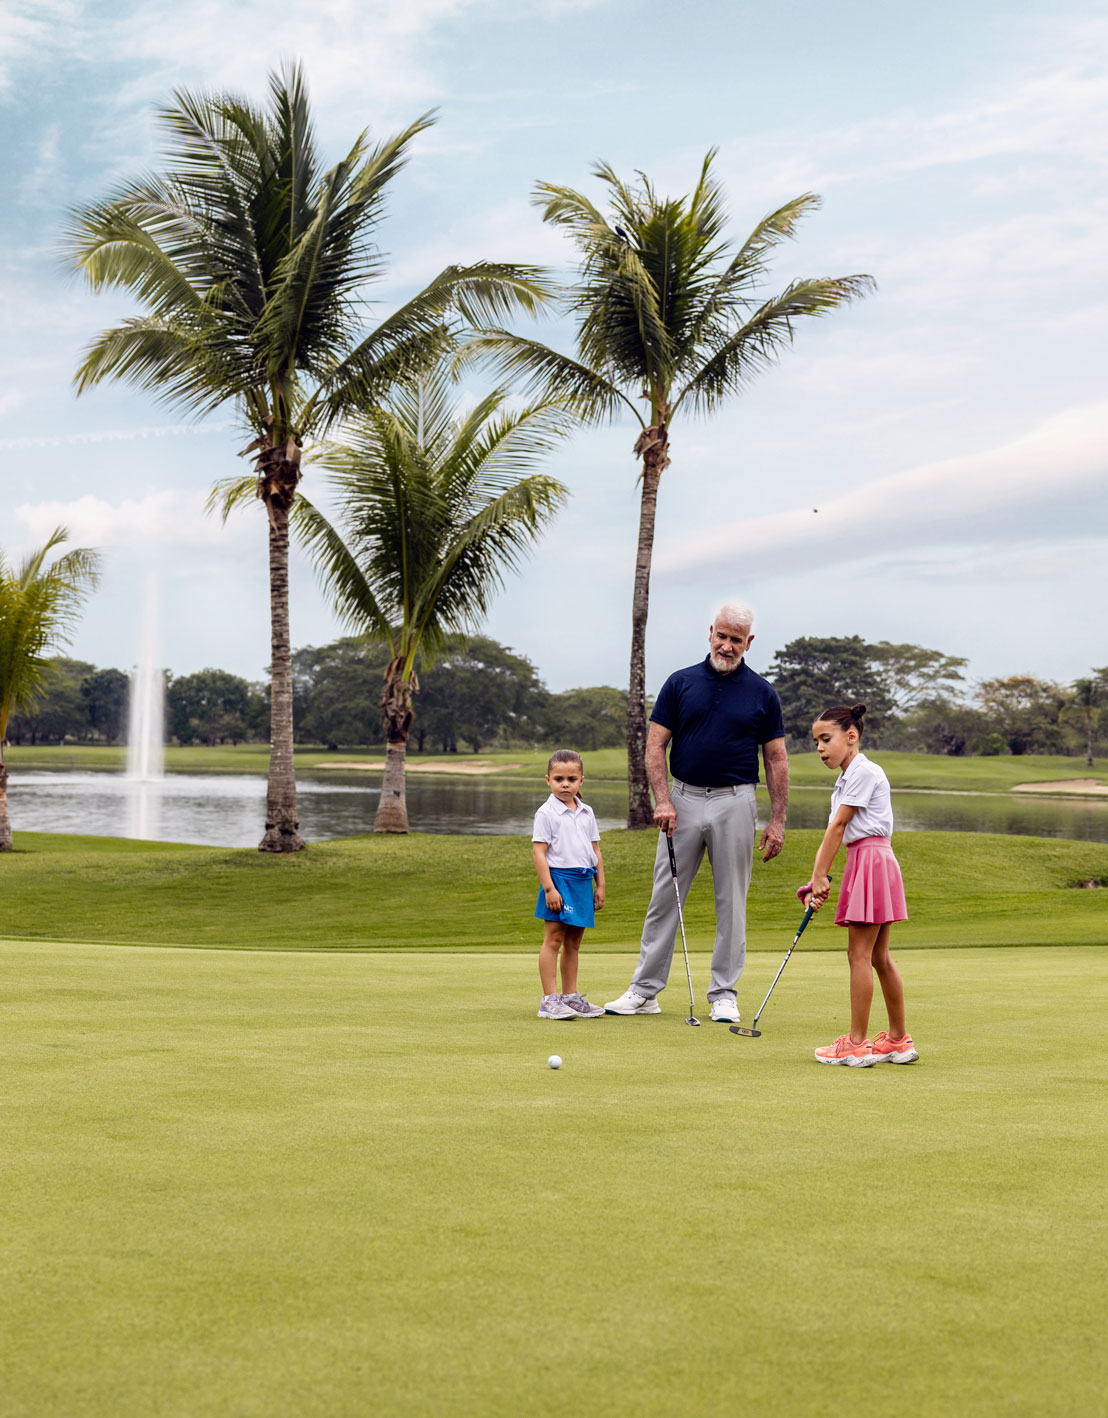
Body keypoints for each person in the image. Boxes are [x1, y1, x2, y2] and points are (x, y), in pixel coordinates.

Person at [605, 601, 789, 1022]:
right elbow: (655, 745)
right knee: (664, 897)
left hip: (736, 800)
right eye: (721, 636)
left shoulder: (762, 693)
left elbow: (776, 758)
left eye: (736, 640)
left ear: (749, 642)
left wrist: (777, 820)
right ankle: (645, 991)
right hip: (682, 798)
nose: (726, 646)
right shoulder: (680, 682)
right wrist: (663, 800)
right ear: (710, 632)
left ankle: (724, 994)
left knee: (732, 901)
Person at [803, 704, 918, 1066]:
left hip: (870, 859)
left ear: (851, 736)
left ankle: (856, 1043)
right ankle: (898, 1040)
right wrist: (817, 880)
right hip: (870, 859)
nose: (820, 748)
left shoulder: (863, 772)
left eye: (826, 739)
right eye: (816, 742)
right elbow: (840, 831)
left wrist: (819, 876)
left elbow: (838, 827)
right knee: (878, 956)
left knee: (859, 956)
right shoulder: (848, 777)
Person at [532, 749, 607, 1020]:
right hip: (559, 881)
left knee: (574, 942)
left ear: (581, 781)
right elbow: (539, 852)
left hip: (583, 881)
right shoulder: (546, 813)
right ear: (548, 780)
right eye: (559, 779)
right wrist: (549, 889)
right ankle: (549, 1000)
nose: (565, 784)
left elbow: (595, 851)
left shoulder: (587, 812)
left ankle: (570, 997)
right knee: (554, 939)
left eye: (571, 779)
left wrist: (600, 885)